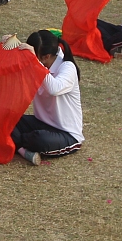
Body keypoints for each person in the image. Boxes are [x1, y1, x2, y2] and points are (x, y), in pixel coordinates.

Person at [12, 30, 84, 164]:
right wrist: (9, 48)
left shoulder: (67, 68)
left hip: (66, 133)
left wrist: (35, 63)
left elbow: (53, 89)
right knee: (6, 118)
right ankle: (22, 149)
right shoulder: (38, 65)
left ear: (46, 57)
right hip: (41, 123)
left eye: (33, 57)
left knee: (40, 139)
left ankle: (15, 141)